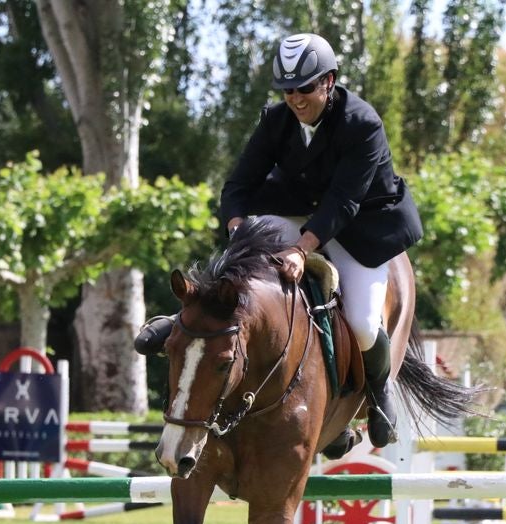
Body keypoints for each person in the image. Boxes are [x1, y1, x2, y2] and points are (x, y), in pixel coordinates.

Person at [136, 32, 423, 449]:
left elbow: (343, 202)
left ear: (329, 80)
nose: (296, 98)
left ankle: (379, 395)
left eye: (305, 87)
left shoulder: (362, 124)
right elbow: (239, 182)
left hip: (361, 226)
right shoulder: (276, 120)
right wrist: (238, 229)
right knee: (241, 265)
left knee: (362, 321)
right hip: (296, 211)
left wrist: (301, 249)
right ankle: (184, 324)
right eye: (288, 89)